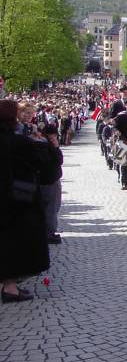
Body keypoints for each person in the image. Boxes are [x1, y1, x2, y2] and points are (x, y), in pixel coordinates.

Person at [0, 99, 58, 303]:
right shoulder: (20, 142)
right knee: (15, 243)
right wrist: (44, 143)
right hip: (18, 200)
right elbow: (47, 168)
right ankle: (10, 287)